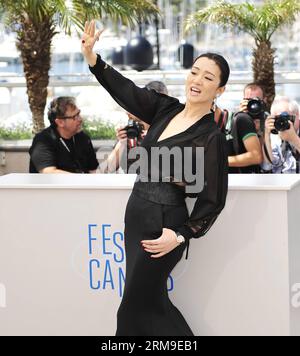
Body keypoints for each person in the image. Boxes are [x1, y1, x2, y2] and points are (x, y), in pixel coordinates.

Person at [82, 20, 229, 336]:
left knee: (132, 309)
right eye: (194, 72)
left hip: (164, 226)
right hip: (135, 215)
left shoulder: (211, 137)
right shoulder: (164, 109)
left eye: (208, 77)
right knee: (151, 304)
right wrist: (94, 59)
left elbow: (213, 199)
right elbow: (127, 92)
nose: (197, 80)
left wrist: (179, 235)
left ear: (220, 89)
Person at [101, 81, 169, 173]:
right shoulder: (132, 131)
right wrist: (122, 143)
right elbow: (108, 169)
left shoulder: (171, 129)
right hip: (131, 184)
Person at [29, 96, 99, 174]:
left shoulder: (83, 137)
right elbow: (49, 172)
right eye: (75, 117)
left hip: (81, 185)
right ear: (60, 122)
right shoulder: (43, 140)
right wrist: (82, 180)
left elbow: (93, 171)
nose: (80, 119)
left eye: (79, 113)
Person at [226, 83, 264, 173]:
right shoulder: (239, 118)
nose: (253, 105)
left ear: (263, 101)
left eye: (257, 100)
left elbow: (261, 157)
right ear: (243, 101)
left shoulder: (266, 119)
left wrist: (261, 130)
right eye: (249, 100)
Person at [262, 96, 300, 173]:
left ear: (298, 115)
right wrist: (266, 134)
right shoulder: (274, 137)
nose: (283, 122)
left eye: (287, 117)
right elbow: (268, 165)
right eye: (278, 118)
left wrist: (294, 139)